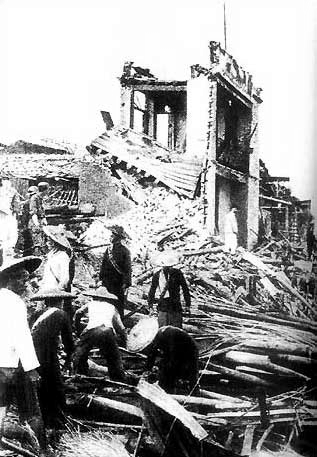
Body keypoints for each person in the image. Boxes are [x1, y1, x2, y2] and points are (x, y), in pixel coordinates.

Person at [0, 256, 46, 451]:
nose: (25, 283)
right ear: (10, 279)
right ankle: (44, 449)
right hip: (12, 364)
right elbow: (22, 337)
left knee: (1, 407)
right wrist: (32, 369)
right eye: (21, 278)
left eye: (27, 279)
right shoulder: (16, 303)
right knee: (31, 410)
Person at [30, 288, 75, 429]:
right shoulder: (62, 314)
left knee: (41, 386)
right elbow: (68, 341)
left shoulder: (36, 314)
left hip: (31, 354)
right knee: (56, 386)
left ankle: (44, 419)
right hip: (47, 354)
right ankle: (60, 421)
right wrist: (69, 357)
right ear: (60, 301)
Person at [73, 287, 126, 381]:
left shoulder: (91, 304)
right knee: (113, 358)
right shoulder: (112, 307)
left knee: (80, 353)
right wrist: (124, 339)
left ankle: (79, 374)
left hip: (92, 330)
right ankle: (118, 379)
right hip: (107, 331)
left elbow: (78, 312)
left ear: (95, 297)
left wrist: (77, 327)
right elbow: (121, 327)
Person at [146, 326, 199, 394]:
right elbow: (152, 353)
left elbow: (173, 355)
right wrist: (148, 368)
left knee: (190, 371)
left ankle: (193, 390)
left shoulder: (169, 334)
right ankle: (169, 386)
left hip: (189, 349)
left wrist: (168, 370)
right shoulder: (155, 338)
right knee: (166, 366)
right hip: (176, 349)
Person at [148, 251, 190, 328]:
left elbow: (185, 288)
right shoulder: (157, 275)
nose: (166, 268)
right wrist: (150, 306)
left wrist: (188, 304)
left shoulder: (177, 273)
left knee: (175, 332)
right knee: (163, 331)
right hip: (164, 307)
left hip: (175, 306)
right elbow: (152, 291)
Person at [99, 225, 132, 321]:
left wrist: (126, 283)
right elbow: (103, 265)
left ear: (117, 238)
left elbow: (128, 268)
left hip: (118, 282)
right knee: (107, 302)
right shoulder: (108, 250)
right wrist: (101, 278)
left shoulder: (125, 251)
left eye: (112, 235)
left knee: (117, 304)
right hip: (107, 281)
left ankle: (119, 323)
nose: (110, 237)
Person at [41, 225, 73, 322]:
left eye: (49, 241)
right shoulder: (51, 255)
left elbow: (65, 278)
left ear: (55, 242)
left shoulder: (62, 256)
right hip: (48, 291)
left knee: (56, 315)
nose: (47, 243)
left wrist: (58, 291)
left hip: (56, 292)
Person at [28, 184, 48, 256]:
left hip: (40, 221)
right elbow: (33, 212)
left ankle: (41, 257)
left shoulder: (40, 198)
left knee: (42, 241)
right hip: (34, 222)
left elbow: (41, 211)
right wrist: (37, 224)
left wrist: (44, 219)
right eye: (47, 189)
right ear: (45, 190)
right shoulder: (34, 198)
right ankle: (37, 259)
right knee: (37, 243)